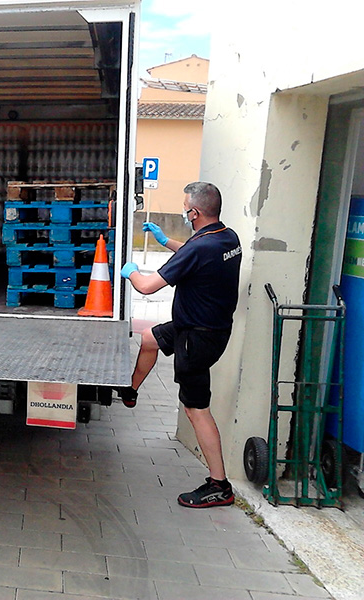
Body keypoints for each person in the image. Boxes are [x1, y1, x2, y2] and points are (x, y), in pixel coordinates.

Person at [119, 181, 242, 509]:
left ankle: (220, 485)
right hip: (204, 326)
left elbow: (146, 287)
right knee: (149, 339)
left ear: (195, 212)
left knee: (195, 409)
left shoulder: (199, 248)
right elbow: (192, 256)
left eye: (185, 207)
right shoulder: (227, 238)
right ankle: (130, 390)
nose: (183, 211)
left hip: (197, 339)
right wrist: (165, 241)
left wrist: (131, 272)